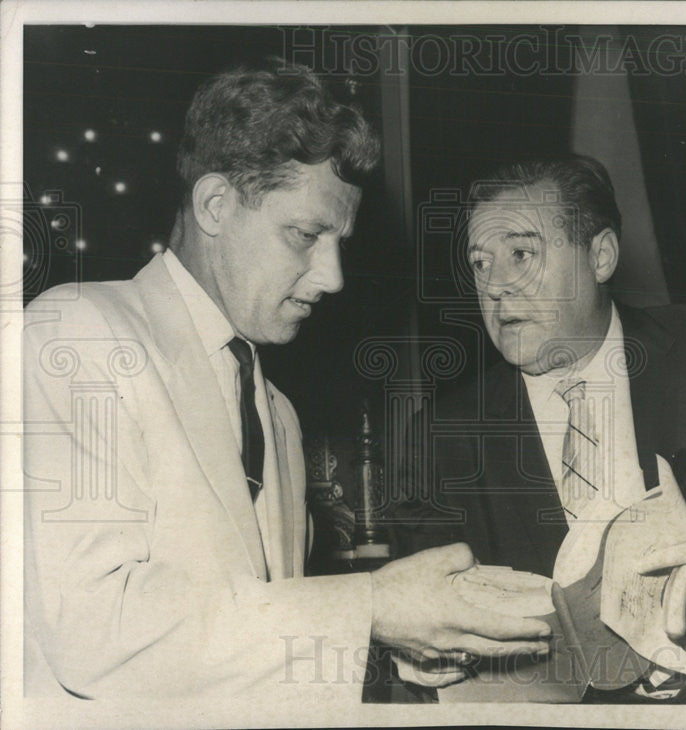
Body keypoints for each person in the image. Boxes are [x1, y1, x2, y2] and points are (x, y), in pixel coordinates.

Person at [21, 59, 550, 706]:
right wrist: (374, 606)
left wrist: (411, 646)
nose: (332, 277)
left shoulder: (278, 414)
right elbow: (94, 634)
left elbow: (257, 647)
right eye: (305, 234)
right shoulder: (77, 333)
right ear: (216, 204)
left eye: (339, 242)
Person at [394, 154, 686, 703]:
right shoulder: (439, 436)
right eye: (481, 263)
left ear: (599, 256)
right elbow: (412, 631)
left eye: (522, 255)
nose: (496, 286)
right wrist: (424, 653)